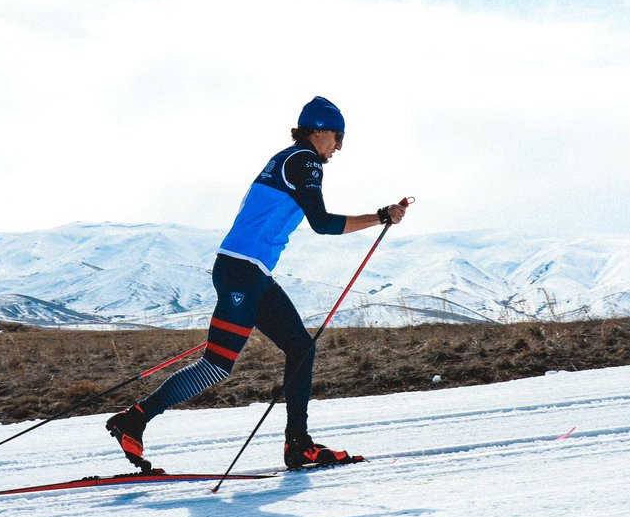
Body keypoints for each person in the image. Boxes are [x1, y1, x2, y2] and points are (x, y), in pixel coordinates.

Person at [106, 96, 407, 471]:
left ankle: (299, 444)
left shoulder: (286, 158)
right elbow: (322, 223)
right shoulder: (305, 160)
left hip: (250, 274)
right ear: (318, 130)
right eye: (338, 135)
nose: (340, 146)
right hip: (242, 273)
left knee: (301, 348)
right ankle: (133, 421)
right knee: (217, 365)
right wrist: (379, 216)